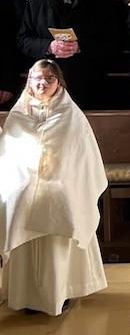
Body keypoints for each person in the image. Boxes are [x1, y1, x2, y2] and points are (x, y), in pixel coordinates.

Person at [0, 60, 108, 315]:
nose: (42, 83)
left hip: (63, 184)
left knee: (58, 203)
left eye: (49, 79)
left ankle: (61, 291)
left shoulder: (71, 115)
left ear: (59, 84)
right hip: (25, 185)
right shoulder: (18, 114)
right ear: (28, 81)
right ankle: (25, 295)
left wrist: (55, 180)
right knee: (17, 201)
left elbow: (81, 157)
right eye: (37, 78)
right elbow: (9, 156)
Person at [18, 0, 115, 109]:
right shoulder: (36, 4)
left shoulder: (101, 6)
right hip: (46, 86)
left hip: (87, 84)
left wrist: (80, 46)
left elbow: (112, 43)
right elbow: (23, 41)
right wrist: (49, 46)